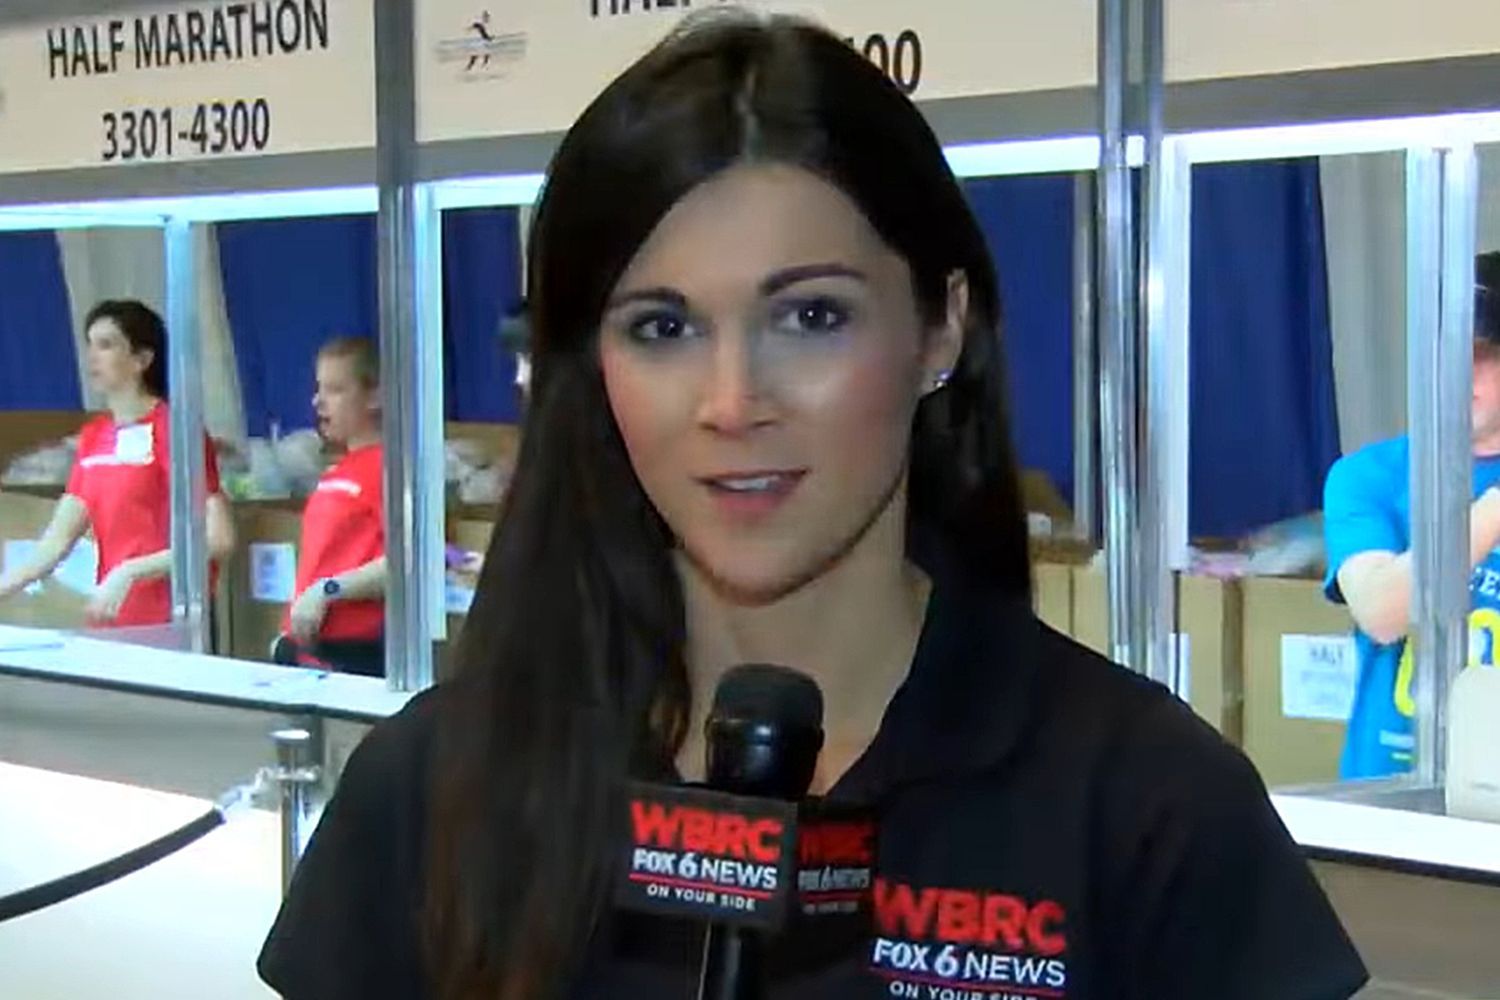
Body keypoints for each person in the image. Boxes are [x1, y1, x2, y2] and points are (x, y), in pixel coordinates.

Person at [259, 15, 1366, 1000]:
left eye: (812, 318)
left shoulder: (1146, 805)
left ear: (940, 327)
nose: (733, 402)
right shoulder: (430, 792)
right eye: (662, 328)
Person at [1324, 252, 1500, 780]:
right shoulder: (1370, 475)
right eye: (1446, 350)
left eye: (1481, 352)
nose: (1458, 371)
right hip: (1390, 796)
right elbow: (1381, 611)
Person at [0, 299, 234, 628]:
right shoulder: (94, 437)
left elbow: (219, 539)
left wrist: (130, 570)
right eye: (90, 344)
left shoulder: (175, 429)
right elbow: (54, 544)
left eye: (106, 345)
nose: (92, 356)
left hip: (172, 621)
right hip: (111, 619)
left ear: (142, 359)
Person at [282, 335, 388, 678]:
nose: (319, 401)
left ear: (374, 396)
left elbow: (410, 561)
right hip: (307, 647)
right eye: (319, 389)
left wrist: (327, 591)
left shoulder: (390, 468)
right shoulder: (337, 471)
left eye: (335, 390)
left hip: (353, 651)